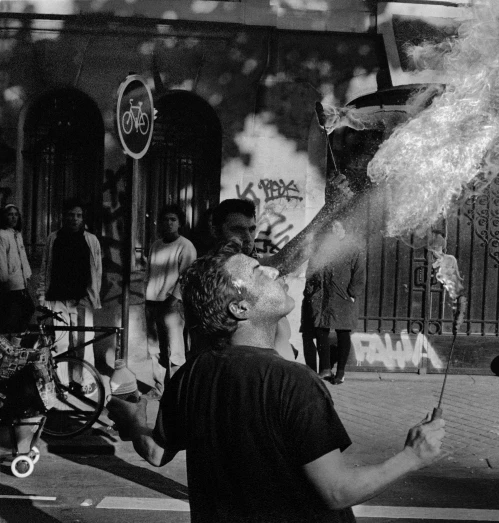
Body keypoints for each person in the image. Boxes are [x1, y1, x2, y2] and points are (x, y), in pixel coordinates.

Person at [107, 240, 445, 523]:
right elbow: (336, 491)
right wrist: (412, 456)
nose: (271, 270)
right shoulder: (294, 382)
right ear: (240, 307)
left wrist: (133, 422)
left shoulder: (191, 374)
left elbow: (155, 453)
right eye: (256, 271)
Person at [210, 199, 297, 361]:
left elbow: (297, 253)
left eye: (251, 229)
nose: (247, 238)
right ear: (215, 231)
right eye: (237, 229)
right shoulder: (212, 278)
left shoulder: (252, 264)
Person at [37, 198, 102, 392]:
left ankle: (86, 381)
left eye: (78, 215)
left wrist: (93, 295)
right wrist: (42, 296)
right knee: (61, 342)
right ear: (63, 216)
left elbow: (97, 270)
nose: (75, 219)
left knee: (84, 341)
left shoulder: (90, 240)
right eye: (71, 215)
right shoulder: (53, 238)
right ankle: (63, 382)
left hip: (82, 299)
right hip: (58, 298)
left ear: (83, 218)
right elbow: (45, 268)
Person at [144, 204, 197, 399]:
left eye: (173, 219)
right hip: (152, 302)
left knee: (175, 350)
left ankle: (177, 390)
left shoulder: (186, 246)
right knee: (155, 348)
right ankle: (159, 388)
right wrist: (147, 297)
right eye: (165, 219)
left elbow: (187, 276)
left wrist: (174, 300)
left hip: (173, 305)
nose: (169, 223)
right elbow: (149, 273)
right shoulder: (156, 245)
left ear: (180, 223)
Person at [304, 220, 365, 384]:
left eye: (337, 226)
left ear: (345, 228)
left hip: (343, 296)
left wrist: (352, 293)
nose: (333, 229)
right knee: (321, 331)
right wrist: (311, 292)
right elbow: (311, 270)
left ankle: (340, 371)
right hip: (322, 297)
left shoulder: (353, 249)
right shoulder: (322, 247)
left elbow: (359, 274)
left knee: (343, 333)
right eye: (331, 226)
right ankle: (325, 369)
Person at [0, 203, 34, 334]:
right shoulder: (2, 235)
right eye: (10, 215)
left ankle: (12, 341)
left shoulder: (17, 234)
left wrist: (27, 273)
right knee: (25, 309)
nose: (14, 218)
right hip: (10, 282)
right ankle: (13, 340)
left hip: (21, 281)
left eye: (16, 215)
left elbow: (22, 256)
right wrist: (4, 280)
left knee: (11, 313)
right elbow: (1, 259)